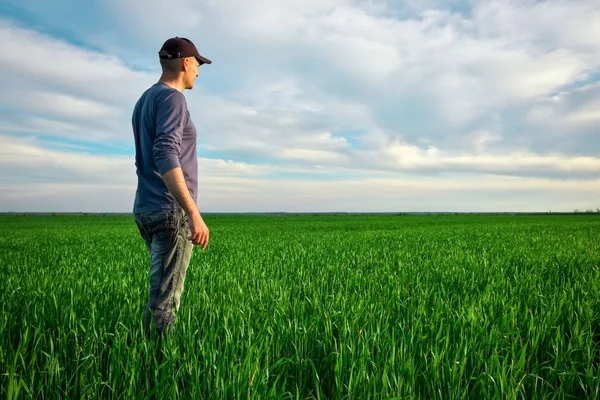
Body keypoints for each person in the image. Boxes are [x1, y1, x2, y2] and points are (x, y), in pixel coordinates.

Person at [131, 37, 211, 338]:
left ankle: (144, 359)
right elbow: (164, 153)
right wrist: (192, 211)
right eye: (198, 65)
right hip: (169, 210)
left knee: (158, 298)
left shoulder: (144, 100)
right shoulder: (173, 98)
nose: (199, 73)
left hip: (147, 208)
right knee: (166, 302)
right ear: (186, 62)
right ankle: (159, 372)